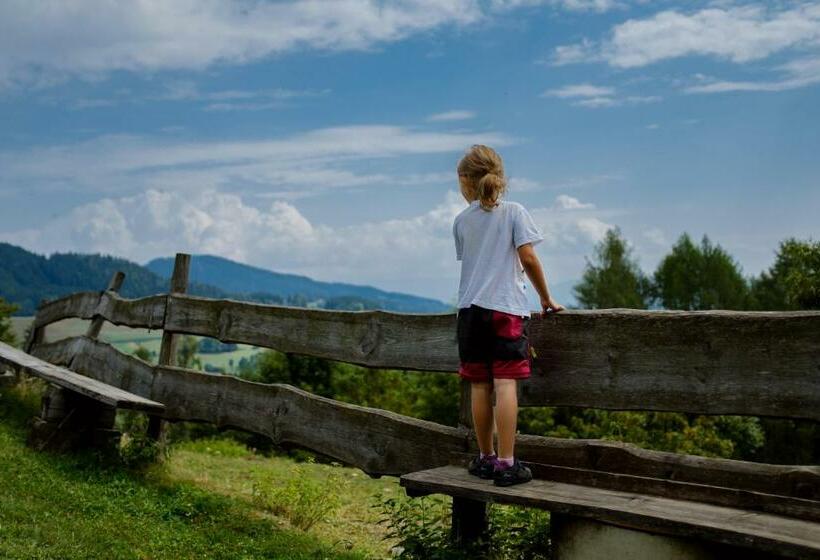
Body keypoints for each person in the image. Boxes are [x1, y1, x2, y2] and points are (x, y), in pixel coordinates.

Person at [452, 144, 564, 487]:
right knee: (505, 385)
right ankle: (506, 463)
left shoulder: (461, 222)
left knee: (479, 385)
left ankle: (485, 458)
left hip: (470, 313)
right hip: (506, 310)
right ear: (499, 177)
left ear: (465, 182)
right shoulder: (515, 212)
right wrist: (546, 298)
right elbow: (528, 258)